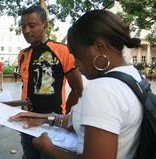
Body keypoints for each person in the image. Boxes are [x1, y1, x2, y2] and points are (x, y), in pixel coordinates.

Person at [10, 10, 143, 159]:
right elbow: (79, 119)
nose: (75, 63)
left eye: (76, 54)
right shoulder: (134, 76)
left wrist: (49, 149)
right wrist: (46, 118)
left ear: (99, 46)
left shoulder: (102, 90)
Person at [17, 5, 83, 159]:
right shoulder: (22, 55)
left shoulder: (62, 51)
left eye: (32, 25)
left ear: (45, 25)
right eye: (23, 26)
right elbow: (26, 87)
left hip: (52, 124)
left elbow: (78, 89)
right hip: (26, 123)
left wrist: (65, 118)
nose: (26, 30)